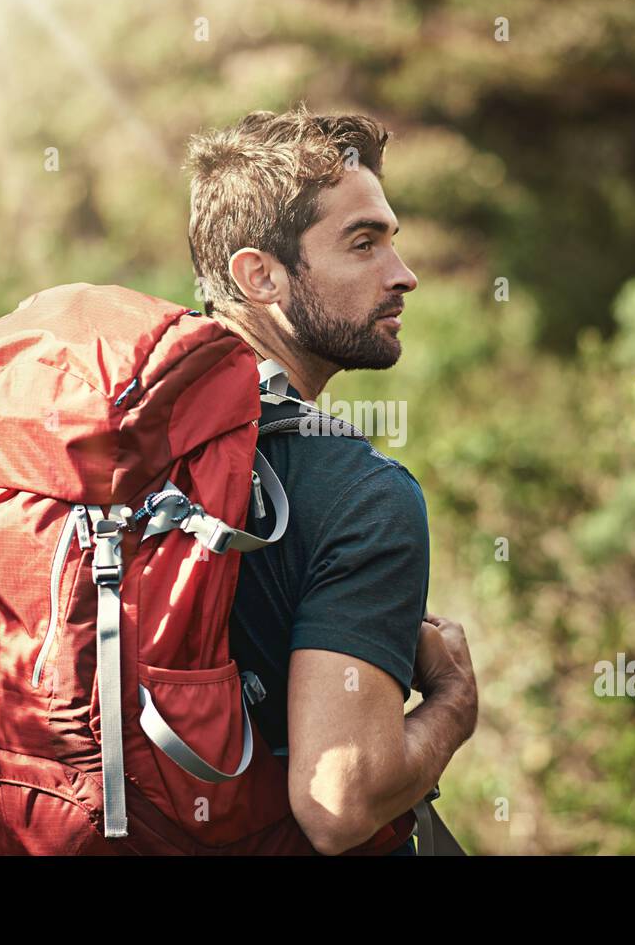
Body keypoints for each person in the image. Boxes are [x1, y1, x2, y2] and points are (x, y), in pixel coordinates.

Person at [184, 105, 477, 855]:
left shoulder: (95, 434)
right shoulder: (364, 494)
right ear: (260, 275)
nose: (403, 275)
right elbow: (338, 806)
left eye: (393, 241)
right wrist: (450, 704)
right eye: (363, 243)